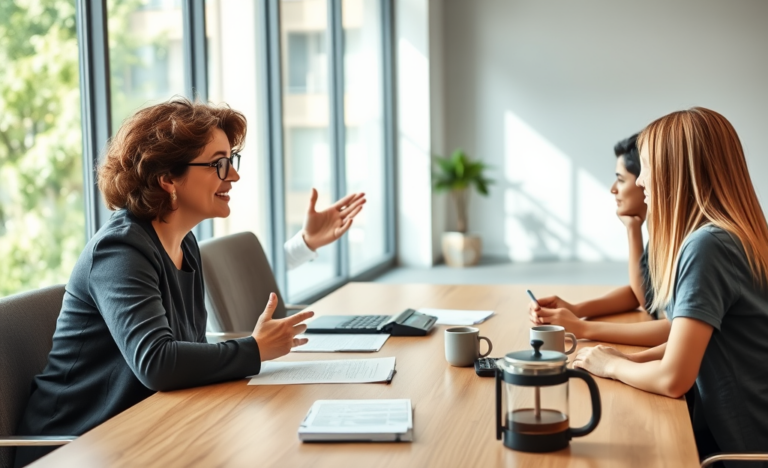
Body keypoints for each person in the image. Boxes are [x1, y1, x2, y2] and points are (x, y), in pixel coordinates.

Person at [13, 98, 360, 466]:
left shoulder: (184, 243)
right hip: (74, 448)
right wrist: (253, 350)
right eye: (218, 164)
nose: (234, 176)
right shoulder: (119, 250)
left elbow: (185, 350)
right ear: (167, 178)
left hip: (145, 430)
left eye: (231, 161)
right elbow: (158, 362)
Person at [572, 107, 768, 461]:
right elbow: (692, 343)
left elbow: (674, 378)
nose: (641, 180)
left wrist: (613, 366)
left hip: (741, 451)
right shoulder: (738, 235)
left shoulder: (708, 246)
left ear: (674, 172)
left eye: (645, 167)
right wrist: (622, 358)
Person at [529, 135, 671, 347]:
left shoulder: (689, 242)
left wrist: (582, 327)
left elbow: (674, 327)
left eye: (621, 179)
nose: (613, 188)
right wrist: (575, 310)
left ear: (648, 180)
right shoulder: (662, 232)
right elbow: (644, 292)